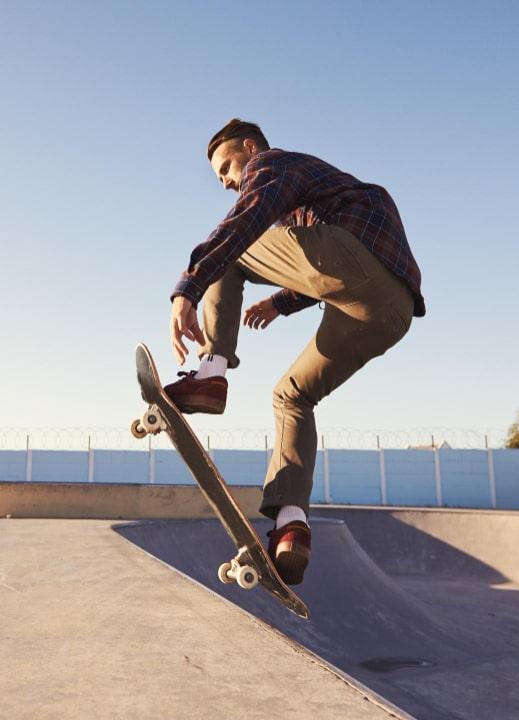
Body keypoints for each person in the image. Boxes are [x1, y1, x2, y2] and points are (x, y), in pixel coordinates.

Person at [166, 118, 425, 585]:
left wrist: (190, 287)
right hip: (391, 312)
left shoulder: (271, 165)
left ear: (249, 148)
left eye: (226, 167)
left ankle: (211, 372)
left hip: (356, 268)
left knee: (231, 247)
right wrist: (281, 303)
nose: (226, 181)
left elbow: (247, 222)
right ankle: (291, 526)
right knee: (291, 396)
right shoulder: (314, 204)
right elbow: (327, 268)